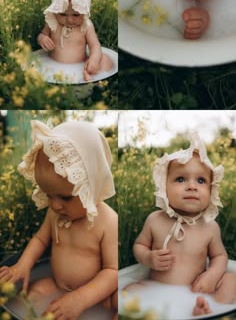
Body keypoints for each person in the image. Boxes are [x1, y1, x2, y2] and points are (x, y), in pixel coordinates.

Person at [0, 120, 118, 320]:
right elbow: (40, 240)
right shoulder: (56, 211)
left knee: (117, 304)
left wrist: (81, 299)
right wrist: (23, 265)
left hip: (96, 296)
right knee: (31, 295)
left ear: (92, 184)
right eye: (48, 195)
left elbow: (112, 271)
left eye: (65, 197)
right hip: (57, 284)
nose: (54, 206)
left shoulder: (108, 221)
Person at [129, 133, 236, 316]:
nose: (192, 186)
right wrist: (148, 258)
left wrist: (212, 276)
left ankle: (212, 308)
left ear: (211, 190)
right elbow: (139, 246)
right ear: (164, 187)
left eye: (201, 180)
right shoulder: (155, 219)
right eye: (181, 179)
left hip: (197, 290)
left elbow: (219, 257)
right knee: (130, 290)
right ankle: (147, 311)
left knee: (232, 280)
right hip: (157, 288)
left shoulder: (210, 226)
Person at [37, 0, 113, 81]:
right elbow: (42, 34)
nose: (70, 20)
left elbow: (95, 45)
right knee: (36, 65)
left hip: (80, 66)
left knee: (105, 60)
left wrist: (94, 59)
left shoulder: (86, 25)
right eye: (63, 14)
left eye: (76, 15)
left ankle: (90, 75)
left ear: (84, 11)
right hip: (54, 66)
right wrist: (42, 39)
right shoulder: (52, 22)